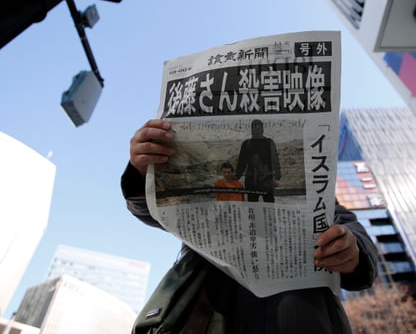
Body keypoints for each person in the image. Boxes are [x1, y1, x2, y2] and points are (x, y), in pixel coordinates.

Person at [122, 119, 378, 334]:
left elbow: (357, 241)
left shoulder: (316, 191)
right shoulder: (222, 188)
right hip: (210, 312)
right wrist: (144, 173)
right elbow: (153, 211)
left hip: (303, 316)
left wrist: (351, 251)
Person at [235, 119, 281, 202]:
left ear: (262, 129)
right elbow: (241, 163)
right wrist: (236, 178)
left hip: (267, 180)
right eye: (254, 127)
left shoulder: (269, 142)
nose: (257, 129)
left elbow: (275, 160)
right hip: (251, 180)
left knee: (269, 207)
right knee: (252, 207)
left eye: (259, 127)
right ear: (251, 129)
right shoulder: (246, 143)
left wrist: (277, 176)